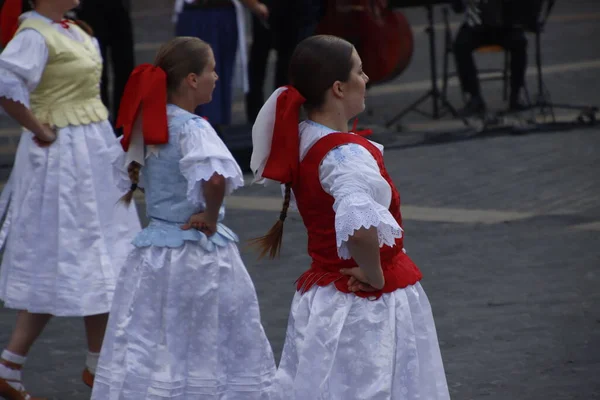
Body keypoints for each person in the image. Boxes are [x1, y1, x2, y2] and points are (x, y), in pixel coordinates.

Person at [250, 35, 451, 399]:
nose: (367, 78)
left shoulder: (305, 138)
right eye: (360, 71)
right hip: (363, 303)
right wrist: (374, 273)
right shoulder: (345, 155)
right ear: (339, 88)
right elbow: (359, 227)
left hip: (324, 296)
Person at [90, 36, 276, 398]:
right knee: (206, 332)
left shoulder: (148, 125)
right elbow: (215, 177)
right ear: (192, 79)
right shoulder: (194, 128)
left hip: (154, 249)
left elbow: (128, 170)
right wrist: (208, 214)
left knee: (157, 334)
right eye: (212, 70)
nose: (216, 77)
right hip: (196, 251)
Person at [0, 0, 141, 397]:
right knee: (75, 248)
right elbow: (5, 82)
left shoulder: (77, 29)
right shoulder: (33, 35)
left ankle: (93, 362)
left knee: (103, 251)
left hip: (92, 146)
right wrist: (35, 126)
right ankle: (20, 364)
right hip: (62, 156)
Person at [173, 0, 269, 129]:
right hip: (210, 14)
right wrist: (256, 6)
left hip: (206, 14)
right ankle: (208, 130)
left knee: (211, 80)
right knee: (208, 78)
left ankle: (208, 130)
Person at [451, 0, 528, 116]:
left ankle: (515, 96)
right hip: (475, 26)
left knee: (520, 43)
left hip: (504, 27)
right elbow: (457, 8)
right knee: (460, 46)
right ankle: (474, 97)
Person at [75, 0, 135, 126]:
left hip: (118, 7)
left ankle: (124, 124)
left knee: (125, 68)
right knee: (95, 68)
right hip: (90, 8)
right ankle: (100, 121)